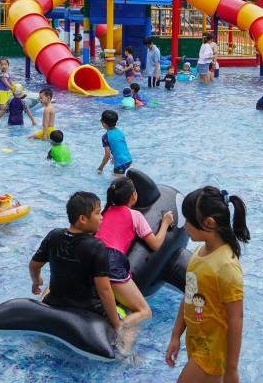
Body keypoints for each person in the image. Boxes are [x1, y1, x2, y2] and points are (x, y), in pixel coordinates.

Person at [166, 186, 249, 383]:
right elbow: (189, 295)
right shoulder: (199, 252)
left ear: (209, 223)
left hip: (212, 351)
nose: (185, 226)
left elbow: (236, 319)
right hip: (197, 342)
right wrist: (176, 335)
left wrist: (231, 369)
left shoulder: (226, 266)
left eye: (189, 221)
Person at [29, 191, 122, 333]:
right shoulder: (96, 246)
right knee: (129, 327)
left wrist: (36, 281)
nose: (101, 217)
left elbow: (34, 266)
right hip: (87, 309)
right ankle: (124, 346)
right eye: (98, 213)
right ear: (83, 219)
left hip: (54, 304)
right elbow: (104, 290)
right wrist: (116, 325)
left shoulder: (54, 236)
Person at [97, 176, 174, 329]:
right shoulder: (135, 215)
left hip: (91, 256)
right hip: (111, 263)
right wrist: (165, 223)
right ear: (134, 196)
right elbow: (155, 244)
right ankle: (115, 330)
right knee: (144, 312)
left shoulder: (103, 213)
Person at [97, 109, 133, 175]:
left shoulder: (105, 137)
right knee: (113, 175)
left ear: (103, 122)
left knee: (118, 181)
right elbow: (120, 146)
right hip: (129, 160)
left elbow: (107, 155)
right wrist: (114, 157)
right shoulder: (120, 132)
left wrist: (100, 168)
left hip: (120, 164)